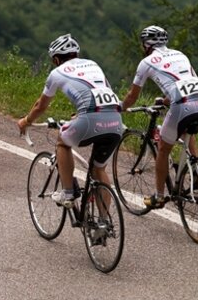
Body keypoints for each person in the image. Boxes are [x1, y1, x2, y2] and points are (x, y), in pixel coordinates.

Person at [17, 33, 123, 207]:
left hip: (89, 120)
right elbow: (104, 93)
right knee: (99, 168)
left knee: (62, 142)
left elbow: (40, 106)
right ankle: (103, 224)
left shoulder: (56, 73)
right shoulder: (93, 64)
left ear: (57, 59)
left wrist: (26, 121)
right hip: (115, 119)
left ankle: (68, 193)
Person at [119, 24, 198, 209]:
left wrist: (119, 108)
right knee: (187, 129)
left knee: (163, 148)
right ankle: (196, 168)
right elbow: (188, 83)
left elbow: (132, 96)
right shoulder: (180, 54)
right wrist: (166, 100)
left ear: (146, 45)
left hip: (182, 104)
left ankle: (159, 196)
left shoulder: (146, 62)